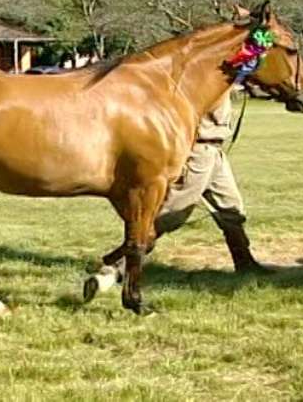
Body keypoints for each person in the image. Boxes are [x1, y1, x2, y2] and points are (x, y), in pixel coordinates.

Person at [84, 92, 266, 301]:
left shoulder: (228, 74)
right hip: (198, 151)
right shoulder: (205, 75)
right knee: (167, 217)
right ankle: (114, 268)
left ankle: (245, 262)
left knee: (232, 210)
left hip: (215, 151)